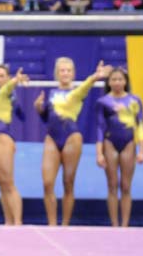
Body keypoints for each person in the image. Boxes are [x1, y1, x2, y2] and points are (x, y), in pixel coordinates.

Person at [34, 58, 112, 226]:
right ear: (57, 73)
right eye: (62, 70)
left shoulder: (78, 92)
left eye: (69, 70)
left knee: (68, 182)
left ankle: (65, 225)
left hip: (71, 136)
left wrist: (95, 77)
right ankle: (52, 224)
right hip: (52, 137)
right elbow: (47, 118)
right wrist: (39, 108)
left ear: (73, 74)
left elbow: (84, 87)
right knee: (48, 183)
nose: (65, 73)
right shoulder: (52, 93)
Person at [95, 68, 143, 227]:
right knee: (112, 184)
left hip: (129, 143)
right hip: (110, 142)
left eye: (120, 79)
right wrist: (99, 153)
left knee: (125, 185)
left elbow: (140, 126)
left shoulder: (134, 100)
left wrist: (142, 151)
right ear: (109, 82)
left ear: (125, 81)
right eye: (114, 79)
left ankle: (125, 224)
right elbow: (99, 128)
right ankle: (114, 224)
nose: (117, 82)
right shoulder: (103, 102)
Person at [0, 65, 29, 225]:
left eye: (1, 76)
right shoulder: (4, 94)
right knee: (1, 183)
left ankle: (18, 223)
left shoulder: (7, 91)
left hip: (4, 137)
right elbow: (20, 113)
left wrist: (15, 81)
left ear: (7, 77)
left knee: (9, 182)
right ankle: (8, 221)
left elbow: (21, 113)